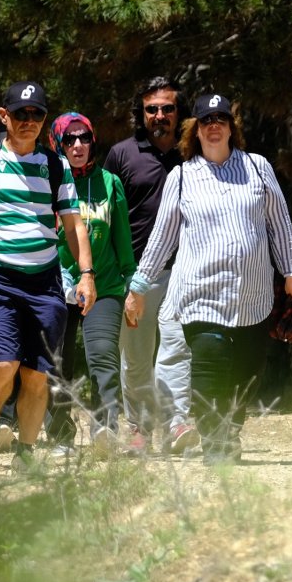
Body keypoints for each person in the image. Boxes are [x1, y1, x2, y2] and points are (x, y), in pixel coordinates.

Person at [128, 93, 292, 465]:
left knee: (247, 369)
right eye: (206, 120)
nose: (213, 126)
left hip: (251, 296)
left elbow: (280, 224)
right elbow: (163, 235)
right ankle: (214, 442)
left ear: (230, 127)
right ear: (195, 129)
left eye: (220, 119)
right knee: (210, 363)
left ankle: (230, 431)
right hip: (200, 294)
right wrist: (140, 286)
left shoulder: (257, 168)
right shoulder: (181, 176)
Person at [0, 81, 97, 471]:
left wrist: (86, 274)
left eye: (36, 114)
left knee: (37, 373)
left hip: (45, 280)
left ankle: (27, 454)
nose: (28, 121)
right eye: (20, 114)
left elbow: (73, 224)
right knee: (3, 363)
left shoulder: (55, 164)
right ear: (4, 116)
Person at [106, 76, 195, 454]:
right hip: (137, 274)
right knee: (137, 358)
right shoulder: (122, 154)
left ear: (179, 113)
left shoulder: (195, 152)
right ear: (141, 114)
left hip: (185, 270)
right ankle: (138, 429)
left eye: (168, 108)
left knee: (176, 350)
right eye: (152, 109)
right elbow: (106, 216)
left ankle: (177, 426)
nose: (160, 115)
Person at [45, 112, 135, 453]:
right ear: (58, 144)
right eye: (70, 139)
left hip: (105, 285)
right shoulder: (48, 182)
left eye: (84, 137)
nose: (78, 145)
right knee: (58, 362)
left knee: (102, 357)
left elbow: (122, 241)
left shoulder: (110, 182)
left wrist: (131, 282)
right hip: (56, 285)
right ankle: (60, 434)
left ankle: (105, 429)